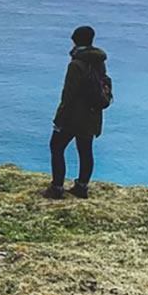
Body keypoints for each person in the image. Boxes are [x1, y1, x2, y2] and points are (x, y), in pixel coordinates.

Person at [43, 25, 109, 200]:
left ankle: (57, 188)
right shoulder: (99, 61)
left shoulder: (76, 64)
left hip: (73, 116)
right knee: (85, 150)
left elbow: (68, 95)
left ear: (75, 40)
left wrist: (59, 118)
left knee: (56, 147)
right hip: (93, 114)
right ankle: (81, 187)